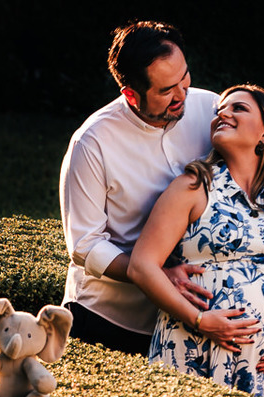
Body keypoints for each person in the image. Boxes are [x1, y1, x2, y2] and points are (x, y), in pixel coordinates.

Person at [127, 84, 264, 397]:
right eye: (219, 111)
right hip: (195, 347)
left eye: (238, 108)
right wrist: (200, 321)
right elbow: (141, 266)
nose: (222, 114)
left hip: (262, 365)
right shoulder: (193, 186)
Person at [59, 21, 220, 356]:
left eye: (185, 78)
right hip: (108, 319)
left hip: (187, 321)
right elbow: (86, 245)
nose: (182, 95)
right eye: (166, 91)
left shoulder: (211, 110)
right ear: (130, 94)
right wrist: (155, 274)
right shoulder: (92, 142)